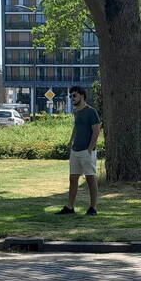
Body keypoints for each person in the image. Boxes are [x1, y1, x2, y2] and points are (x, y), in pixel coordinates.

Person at [56, 86, 101, 216]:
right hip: (75, 151)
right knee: (73, 178)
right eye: (71, 96)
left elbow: (96, 130)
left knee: (90, 178)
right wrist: (71, 142)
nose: (72, 98)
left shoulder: (91, 112)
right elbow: (76, 127)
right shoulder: (76, 111)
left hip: (87, 152)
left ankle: (93, 208)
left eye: (74, 96)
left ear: (82, 96)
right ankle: (70, 208)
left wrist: (90, 148)